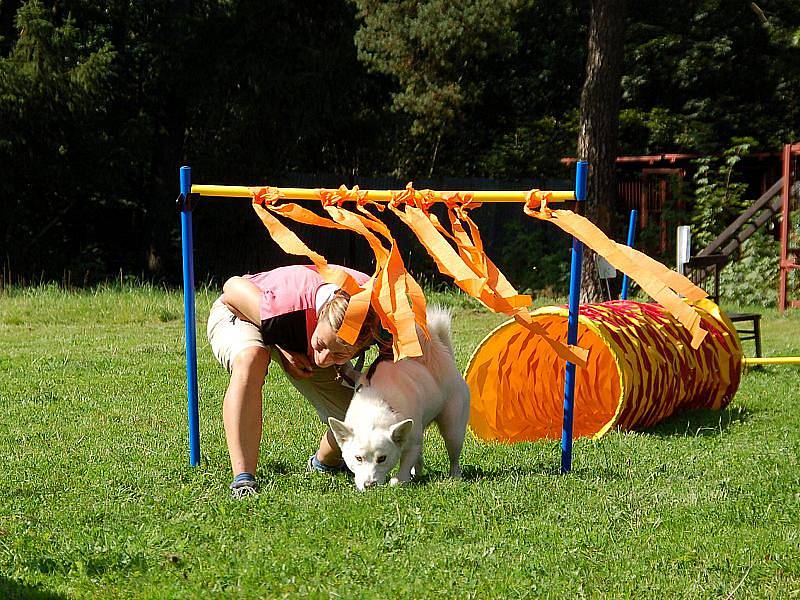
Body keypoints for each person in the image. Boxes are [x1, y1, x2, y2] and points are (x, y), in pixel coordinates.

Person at [206, 263, 381, 498]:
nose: (324, 358)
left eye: (339, 355)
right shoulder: (287, 307)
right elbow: (232, 288)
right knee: (252, 358)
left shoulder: (380, 314)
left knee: (359, 422)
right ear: (319, 317)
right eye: (322, 344)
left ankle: (323, 463)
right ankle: (243, 480)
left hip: (297, 334)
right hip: (245, 314)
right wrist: (284, 346)